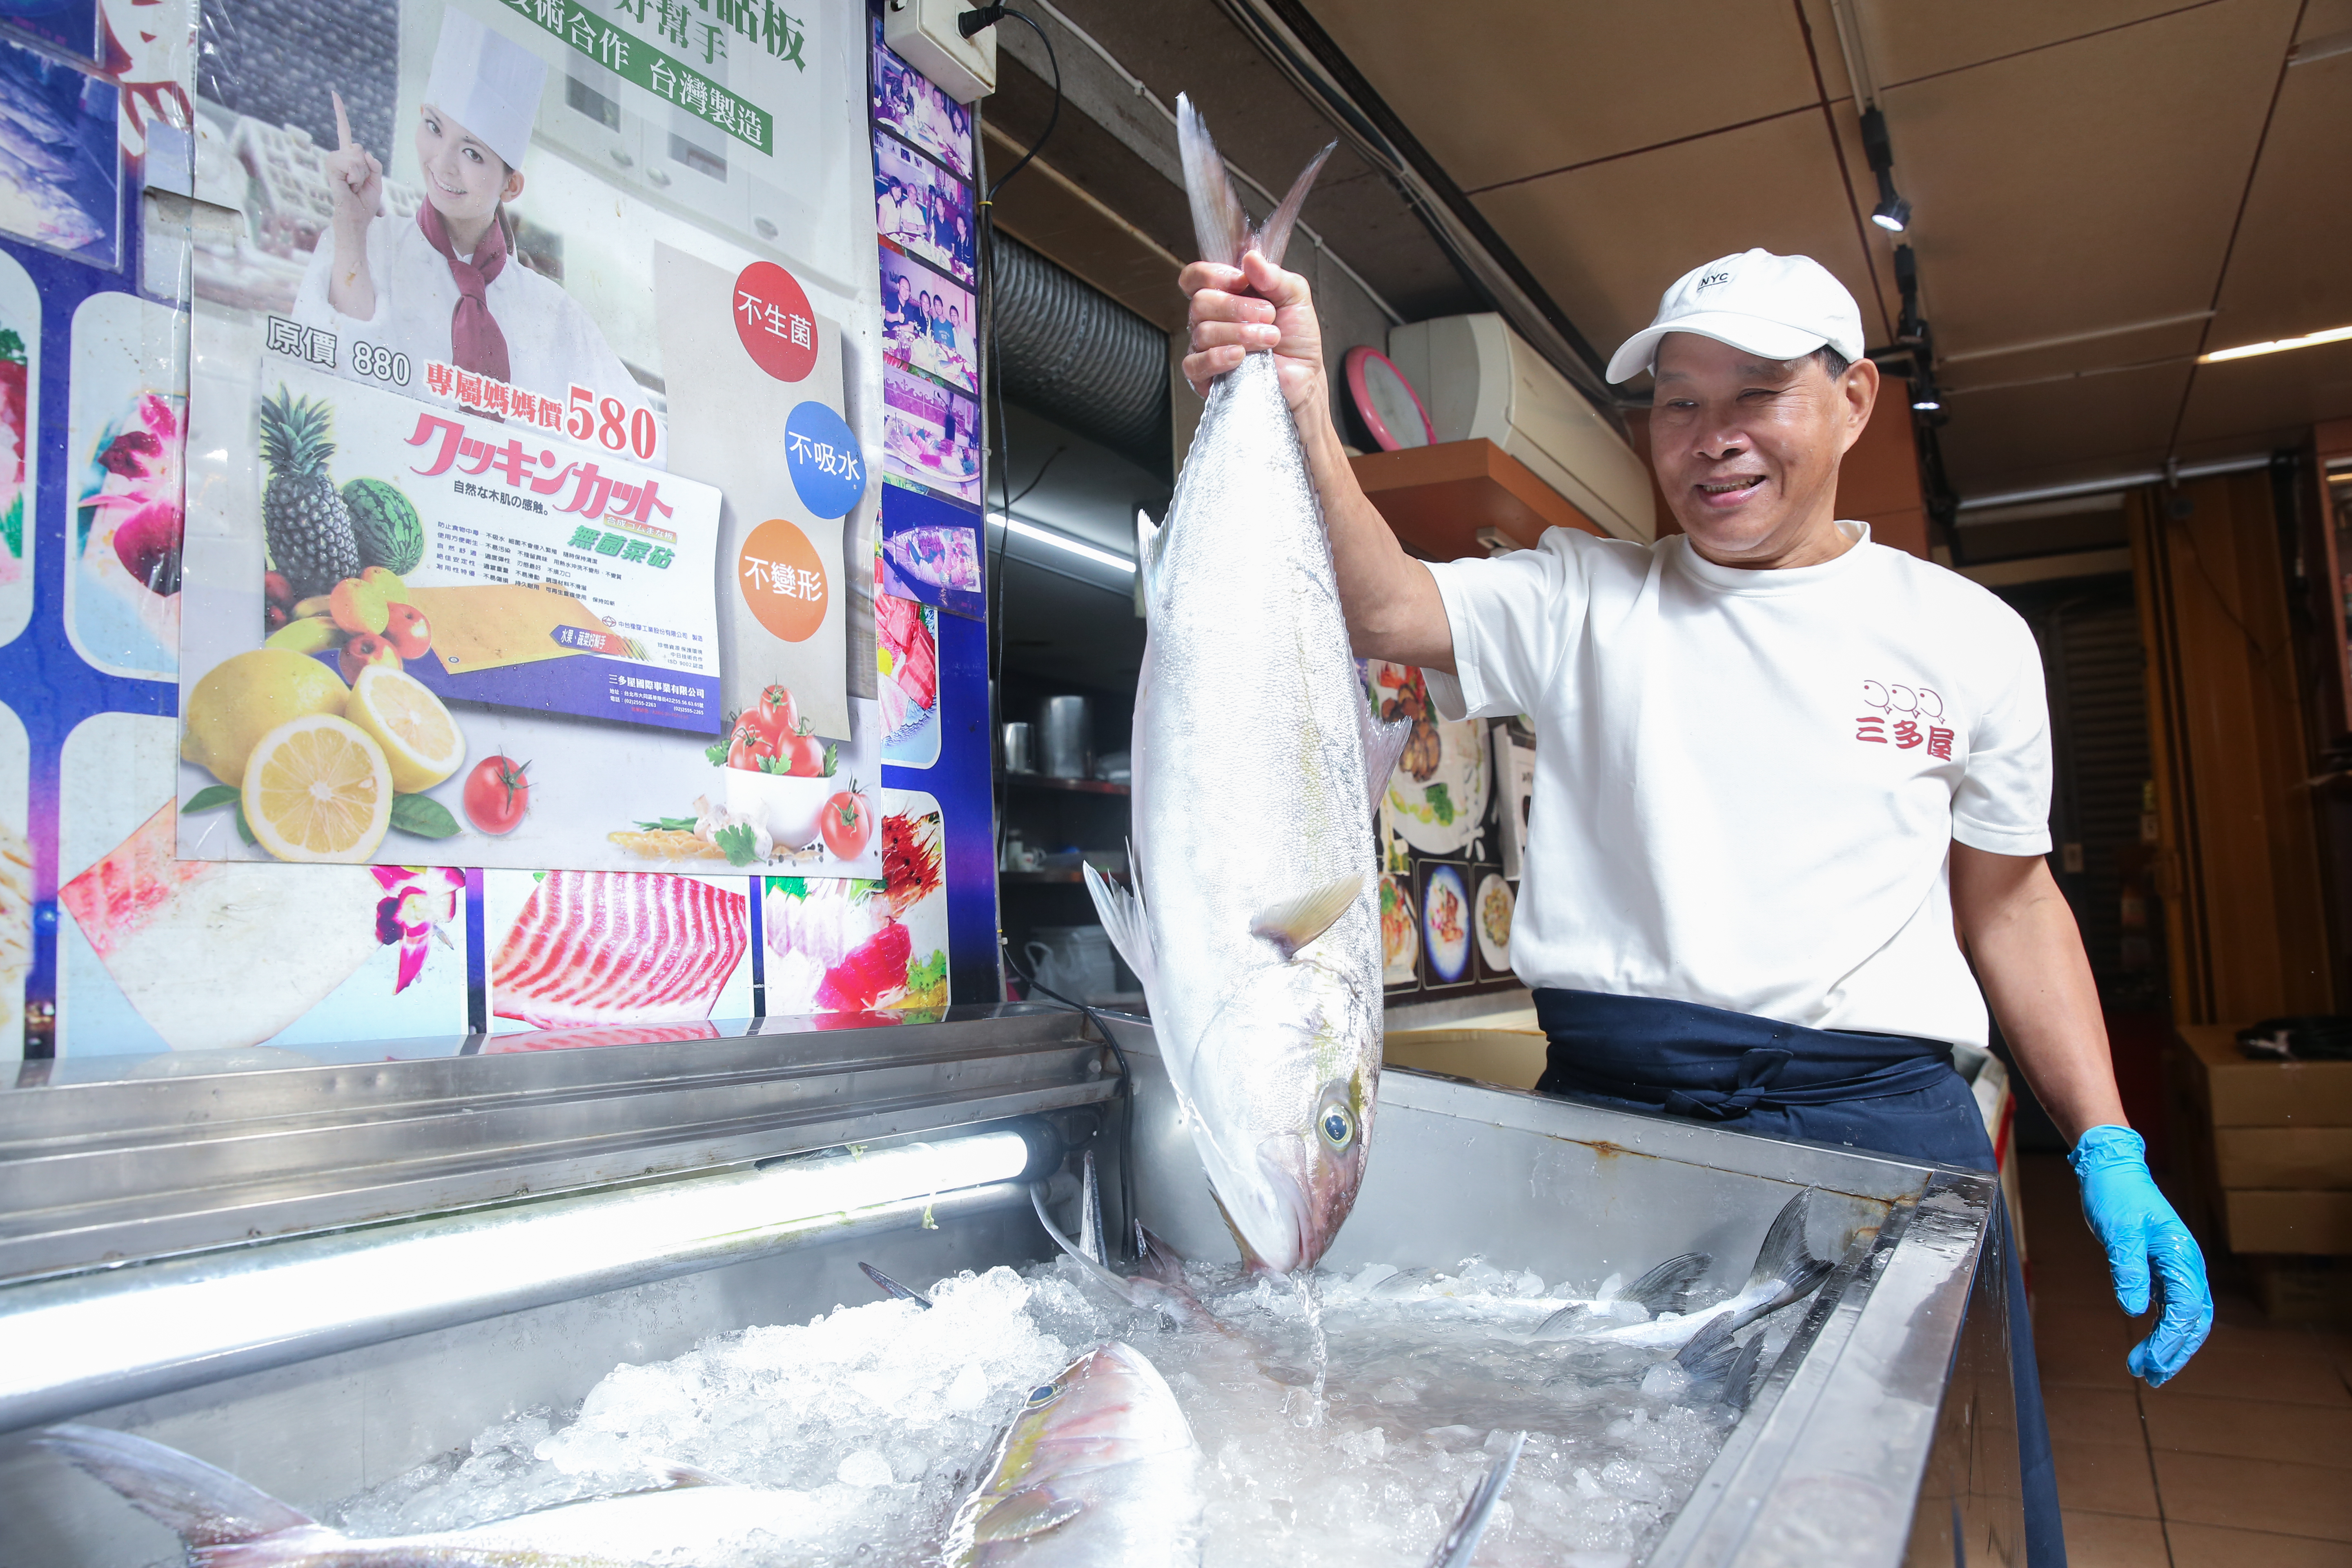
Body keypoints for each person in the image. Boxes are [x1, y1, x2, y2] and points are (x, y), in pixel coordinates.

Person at [1183, 245, 2213, 1568]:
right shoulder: (1583, 595)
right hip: (1614, 1127)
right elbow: (1382, 604)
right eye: (1680, 403)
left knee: (1875, 1518)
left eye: (1758, 395)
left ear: (1854, 401)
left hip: (1878, 1127)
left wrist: (2108, 1142)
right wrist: (1296, 401)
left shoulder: (1970, 639)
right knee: (1604, 1510)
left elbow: (2012, 906)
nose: (1713, 438)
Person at [295, 10, 659, 462]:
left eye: (472, 153)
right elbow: (319, 383)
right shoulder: (369, 246)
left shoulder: (557, 316)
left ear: (511, 186)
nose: (442, 164)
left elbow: (644, 448)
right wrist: (351, 227)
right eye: (434, 128)